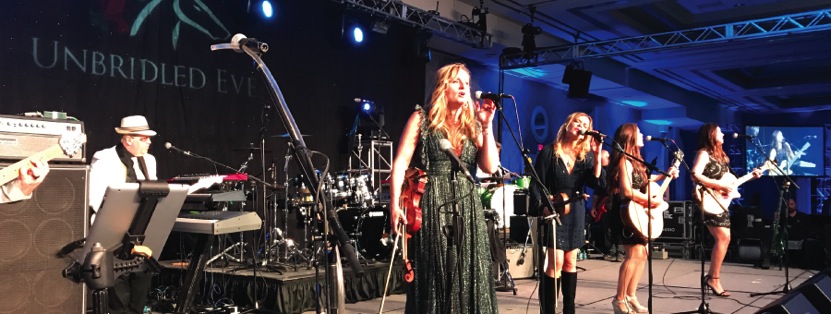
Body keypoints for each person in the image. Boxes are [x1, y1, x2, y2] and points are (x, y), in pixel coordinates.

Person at [389, 63, 499, 313]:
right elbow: (401, 162)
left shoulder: (472, 124)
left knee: (468, 274)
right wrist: (394, 204)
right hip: (433, 204)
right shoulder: (422, 119)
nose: (464, 87)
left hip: (467, 206)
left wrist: (487, 125)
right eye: (457, 81)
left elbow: (490, 166)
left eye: (467, 83)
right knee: (436, 274)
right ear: (443, 86)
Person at [531, 112, 605, 314]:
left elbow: (597, 183)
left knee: (571, 262)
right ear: (568, 124)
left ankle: (569, 310)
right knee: (555, 261)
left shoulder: (586, 155)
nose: (581, 126)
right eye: (577, 122)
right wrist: (543, 206)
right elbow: (536, 185)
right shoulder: (549, 152)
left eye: (585, 124)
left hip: (576, 212)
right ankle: (548, 310)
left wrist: (597, 155)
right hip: (555, 210)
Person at [88, 115, 158, 314]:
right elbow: (95, 199)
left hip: (139, 230)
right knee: (119, 287)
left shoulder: (149, 161)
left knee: (141, 280)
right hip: (113, 231)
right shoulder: (104, 158)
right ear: (128, 139)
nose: (149, 142)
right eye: (144, 138)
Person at [607, 123, 678, 313]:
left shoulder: (636, 160)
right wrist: (649, 200)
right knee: (633, 255)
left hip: (637, 210)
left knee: (642, 254)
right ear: (629, 136)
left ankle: (631, 296)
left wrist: (664, 176)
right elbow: (627, 190)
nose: (642, 135)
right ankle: (619, 299)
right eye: (638, 132)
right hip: (627, 212)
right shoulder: (623, 160)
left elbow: (644, 180)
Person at [691, 123, 762, 298]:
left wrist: (751, 177)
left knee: (725, 238)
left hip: (720, 202)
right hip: (707, 199)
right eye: (720, 132)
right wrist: (718, 184)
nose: (723, 134)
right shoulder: (703, 154)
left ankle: (713, 277)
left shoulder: (722, 157)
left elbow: (730, 183)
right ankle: (713, 278)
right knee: (723, 237)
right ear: (711, 134)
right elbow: (695, 174)